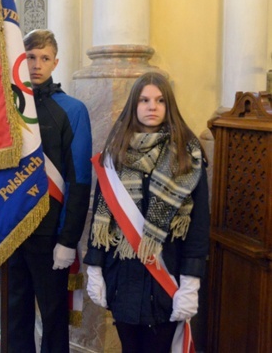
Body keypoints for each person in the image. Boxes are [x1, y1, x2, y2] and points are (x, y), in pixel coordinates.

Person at [83, 72, 209, 353]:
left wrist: (190, 284)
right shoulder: (114, 154)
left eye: (160, 100)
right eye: (144, 100)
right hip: (122, 281)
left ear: (169, 106)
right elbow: (100, 224)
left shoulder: (188, 155)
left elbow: (198, 227)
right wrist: (95, 269)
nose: (152, 106)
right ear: (133, 106)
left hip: (166, 279)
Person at [7, 30, 92, 352]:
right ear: (21, 59)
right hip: (13, 227)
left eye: (44, 58)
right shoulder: (10, 108)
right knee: (16, 312)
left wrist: (67, 240)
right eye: (30, 57)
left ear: (56, 62)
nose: (37, 65)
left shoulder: (72, 110)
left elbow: (79, 179)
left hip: (50, 232)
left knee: (54, 316)